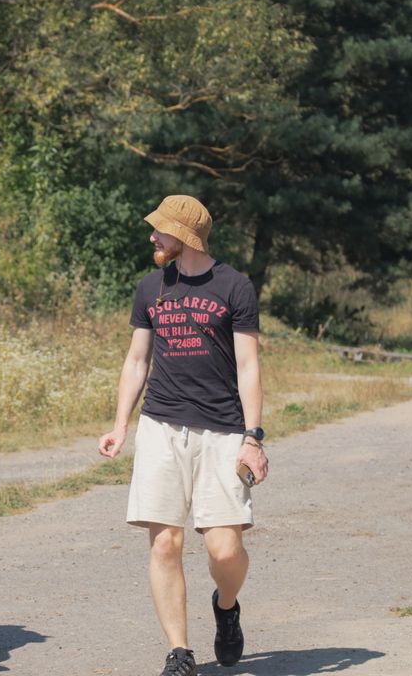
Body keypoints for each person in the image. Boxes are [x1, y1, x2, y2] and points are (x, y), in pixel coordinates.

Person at [98, 195, 269, 676]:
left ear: (187, 236)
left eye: (161, 230)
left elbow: (248, 365)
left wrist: (252, 438)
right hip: (161, 426)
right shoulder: (150, 287)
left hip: (222, 431)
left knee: (225, 551)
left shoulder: (234, 286)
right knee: (165, 544)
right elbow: (136, 362)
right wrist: (120, 425)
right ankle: (180, 651)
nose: (152, 236)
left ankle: (227, 605)